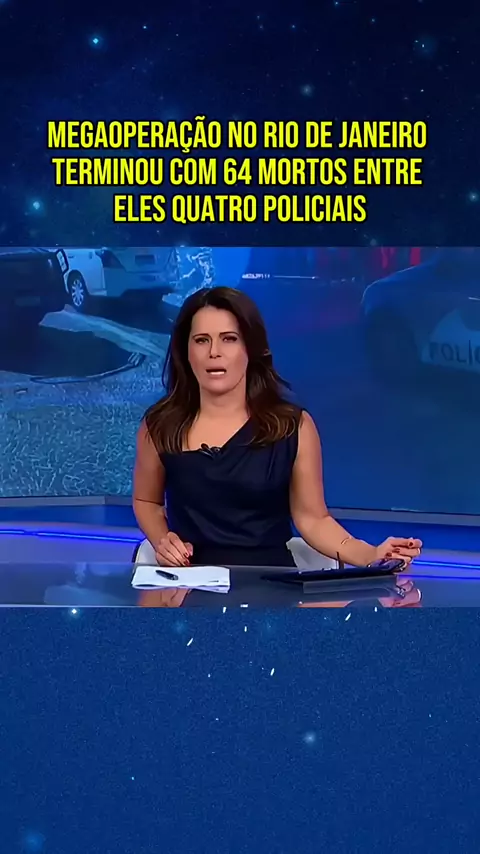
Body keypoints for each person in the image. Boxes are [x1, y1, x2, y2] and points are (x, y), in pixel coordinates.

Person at [133, 286, 422, 568]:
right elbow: (147, 501)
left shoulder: (292, 427)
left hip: (269, 583)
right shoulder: (160, 425)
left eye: (229, 339)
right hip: (187, 582)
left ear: (250, 348)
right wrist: (162, 540)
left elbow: (313, 519)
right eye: (201, 340)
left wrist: (371, 555)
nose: (214, 352)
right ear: (186, 351)